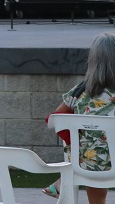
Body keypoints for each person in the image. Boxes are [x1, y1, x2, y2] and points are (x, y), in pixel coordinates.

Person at [42, 32, 115, 203]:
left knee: (93, 155)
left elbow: (54, 119)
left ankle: (62, 181)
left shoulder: (80, 92)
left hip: (86, 166)